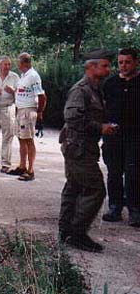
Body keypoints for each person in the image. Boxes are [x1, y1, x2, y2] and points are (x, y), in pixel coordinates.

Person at [58, 49, 117, 252]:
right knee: (95, 189)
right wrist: (100, 128)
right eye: (104, 65)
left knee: (74, 187)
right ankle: (76, 234)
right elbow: (72, 119)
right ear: (91, 67)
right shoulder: (81, 90)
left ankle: (66, 232)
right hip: (78, 147)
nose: (109, 69)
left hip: (84, 147)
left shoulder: (95, 89)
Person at [101, 48, 140, 227]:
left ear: (136, 62)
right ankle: (115, 207)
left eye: (128, 62)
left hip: (135, 136)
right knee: (114, 172)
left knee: (133, 173)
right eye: (121, 62)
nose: (124, 66)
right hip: (114, 136)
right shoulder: (110, 83)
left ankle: (135, 210)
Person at [7, 53, 46, 181]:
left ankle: (31, 170)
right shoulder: (23, 76)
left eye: (18, 62)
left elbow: (41, 96)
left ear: (24, 63)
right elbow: (21, 92)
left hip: (28, 111)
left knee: (28, 139)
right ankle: (22, 166)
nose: (17, 64)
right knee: (21, 138)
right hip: (21, 110)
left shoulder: (33, 76)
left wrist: (39, 112)